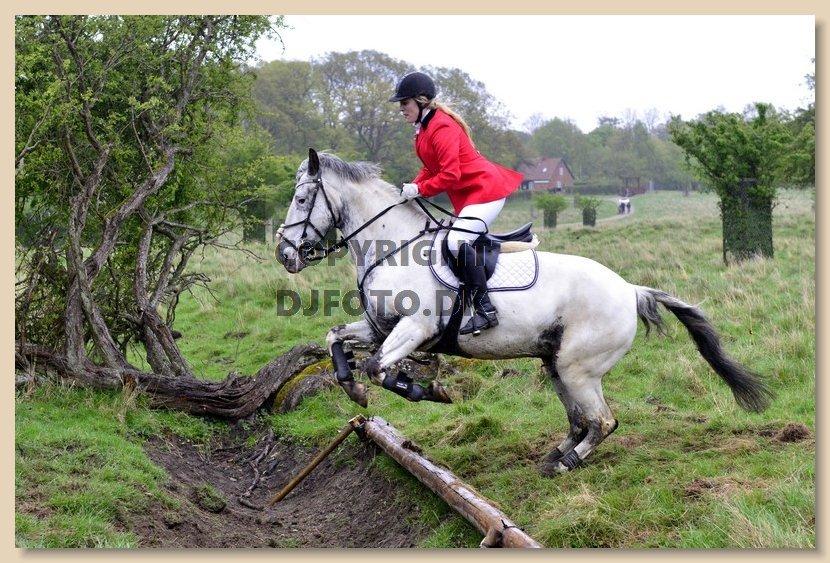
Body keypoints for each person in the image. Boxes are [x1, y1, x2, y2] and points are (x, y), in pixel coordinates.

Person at [389, 71, 523, 335]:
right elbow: (431, 168)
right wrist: (413, 188)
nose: (401, 109)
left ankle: (485, 309)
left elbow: (450, 175)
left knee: (455, 242)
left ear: (422, 100)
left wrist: (420, 189)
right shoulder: (425, 128)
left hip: (487, 191)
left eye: (404, 103)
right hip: (472, 195)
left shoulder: (442, 127)